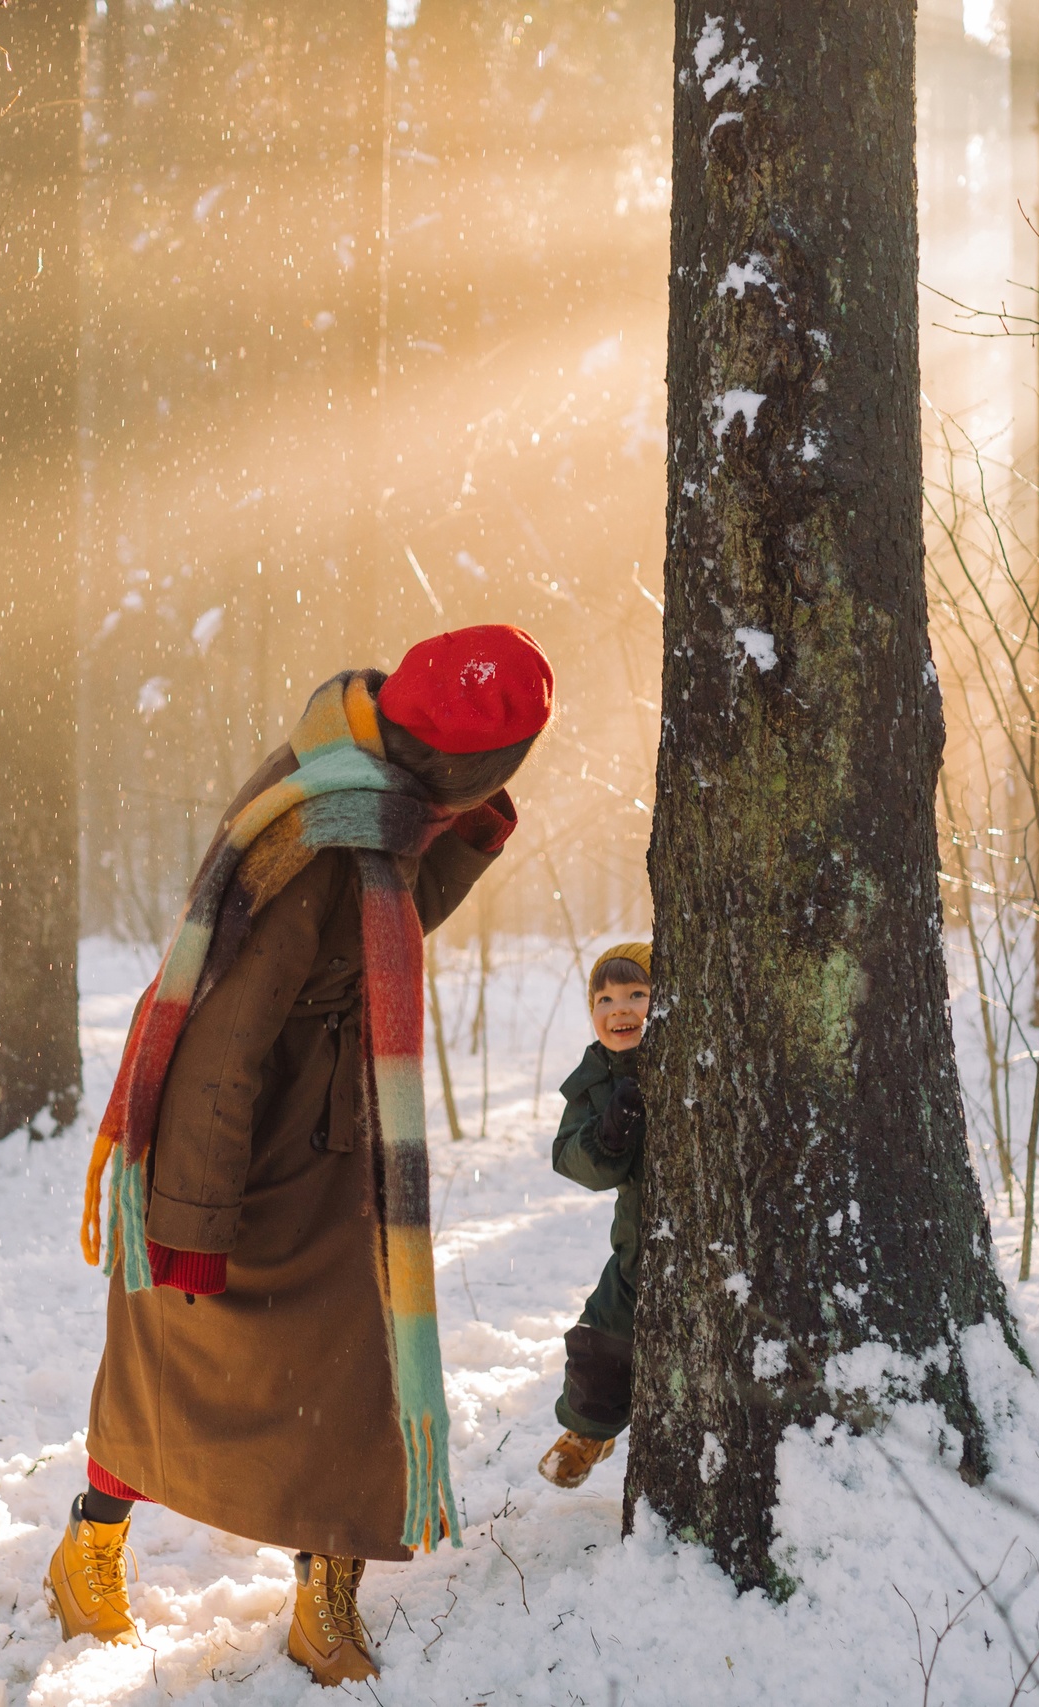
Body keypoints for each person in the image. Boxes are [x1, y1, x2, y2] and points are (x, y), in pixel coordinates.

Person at [47, 624, 554, 1687]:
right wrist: (189, 1211)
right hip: (248, 1135)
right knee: (176, 1361)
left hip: (327, 1128)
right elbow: (231, 1022)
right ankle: (88, 1551)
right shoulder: (327, 826)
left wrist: (459, 837)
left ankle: (320, 1587)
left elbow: (383, 928)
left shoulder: (364, 774)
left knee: (337, 1380)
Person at [536, 942, 651, 1490]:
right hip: (638, 1241)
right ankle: (588, 1432)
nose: (618, 1009)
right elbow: (572, 1158)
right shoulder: (599, 1075)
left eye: (636, 994)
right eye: (603, 998)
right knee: (598, 1337)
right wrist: (607, 1132)